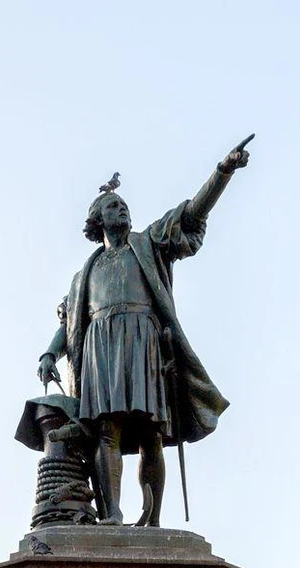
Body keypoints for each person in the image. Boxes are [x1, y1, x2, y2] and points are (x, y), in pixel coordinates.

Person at [37, 138, 251, 526]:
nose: (123, 209)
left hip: (144, 340)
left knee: (152, 432)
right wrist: (50, 353)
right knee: (108, 430)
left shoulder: (148, 244)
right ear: (98, 220)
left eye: (124, 205)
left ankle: (151, 518)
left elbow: (190, 214)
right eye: (113, 206)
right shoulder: (84, 274)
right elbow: (68, 322)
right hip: (100, 347)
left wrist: (223, 173)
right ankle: (113, 513)